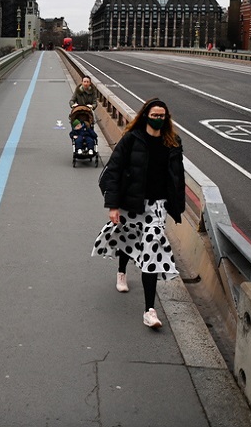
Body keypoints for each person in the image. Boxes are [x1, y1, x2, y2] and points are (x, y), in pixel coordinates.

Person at [92, 98, 185, 329]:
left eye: (162, 116)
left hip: (156, 207)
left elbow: (178, 176)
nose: (158, 119)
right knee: (128, 239)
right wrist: (113, 206)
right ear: (145, 115)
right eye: (154, 115)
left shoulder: (172, 142)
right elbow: (113, 171)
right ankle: (122, 271)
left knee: (151, 250)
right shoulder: (132, 140)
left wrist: (176, 205)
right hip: (131, 203)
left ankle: (149, 311)